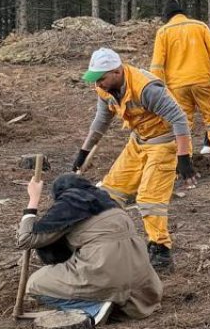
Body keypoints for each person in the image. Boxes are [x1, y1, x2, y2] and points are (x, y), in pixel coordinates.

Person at [72, 47, 199, 273]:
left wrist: (184, 158)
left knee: (150, 199)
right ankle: (111, 244)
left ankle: (160, 251)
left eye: (101, 78)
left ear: (117, 72)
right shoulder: (105, 89)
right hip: (139, 140)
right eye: (95, 79)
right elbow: (101, 120)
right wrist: (83, 152)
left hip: (165, 141)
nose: (98, 84)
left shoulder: (146, 88)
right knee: (110, 192)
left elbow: (179, 119)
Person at [17, 172, 163, 324]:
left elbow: (26, 239)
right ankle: (110, 301)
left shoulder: (71, 203)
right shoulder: (110, 202)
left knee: (35, 283)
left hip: (106, 273)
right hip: (142, 282)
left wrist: (33, 199)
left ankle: (93, 306)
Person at [152, 0, 210, 172]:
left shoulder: (163, 32)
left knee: (183, 122)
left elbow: (157, 65)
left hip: (177, 86)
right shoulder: (200, 26)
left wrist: (156, 92)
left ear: (167, 17)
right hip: (201, 82)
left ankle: (184, 160)